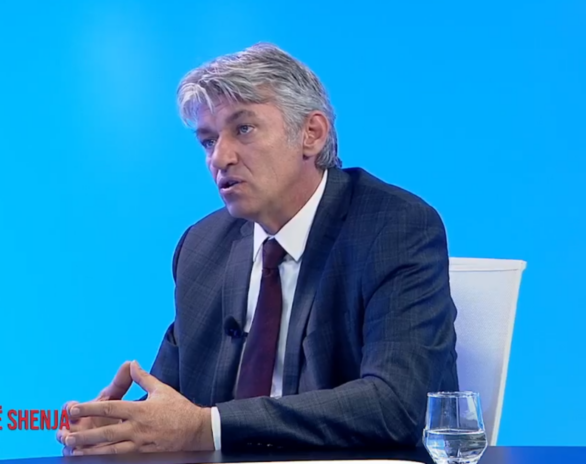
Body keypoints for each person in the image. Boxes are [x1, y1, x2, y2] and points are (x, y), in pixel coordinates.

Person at [57, 42, 459, 456]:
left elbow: (396, 406)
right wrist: (117, 429)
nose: (220, 158)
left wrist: (210, 427)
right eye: (207, 141)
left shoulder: (393, 227)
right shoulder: (201, 247)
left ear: (311, 134)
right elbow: (176, 408)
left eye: (244, 129)